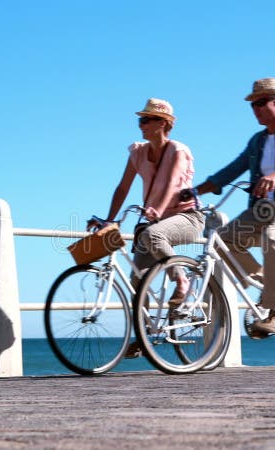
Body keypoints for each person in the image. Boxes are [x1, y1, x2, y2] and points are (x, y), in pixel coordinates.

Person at [193, 78, 275, 334]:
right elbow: (231, 170)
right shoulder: (258, 141)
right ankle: (273, 286)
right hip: (264, 210)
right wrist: (194, 191)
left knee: (273, 237)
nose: (255, 109)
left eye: (261, 103)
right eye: (252, 105)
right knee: (222, 241)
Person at [98, 98, 204, 356]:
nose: (141, 124)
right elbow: (123, 187)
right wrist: (109, 219)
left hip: (187, 217)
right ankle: (146, 335)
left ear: (164, 123)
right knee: (137, 278)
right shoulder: (138, 152)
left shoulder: (178, 150)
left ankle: (181, 281)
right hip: (154, 222)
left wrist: (157, 209)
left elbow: (170, 183)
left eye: (147, 119)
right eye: (140, 119)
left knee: (154, 233)